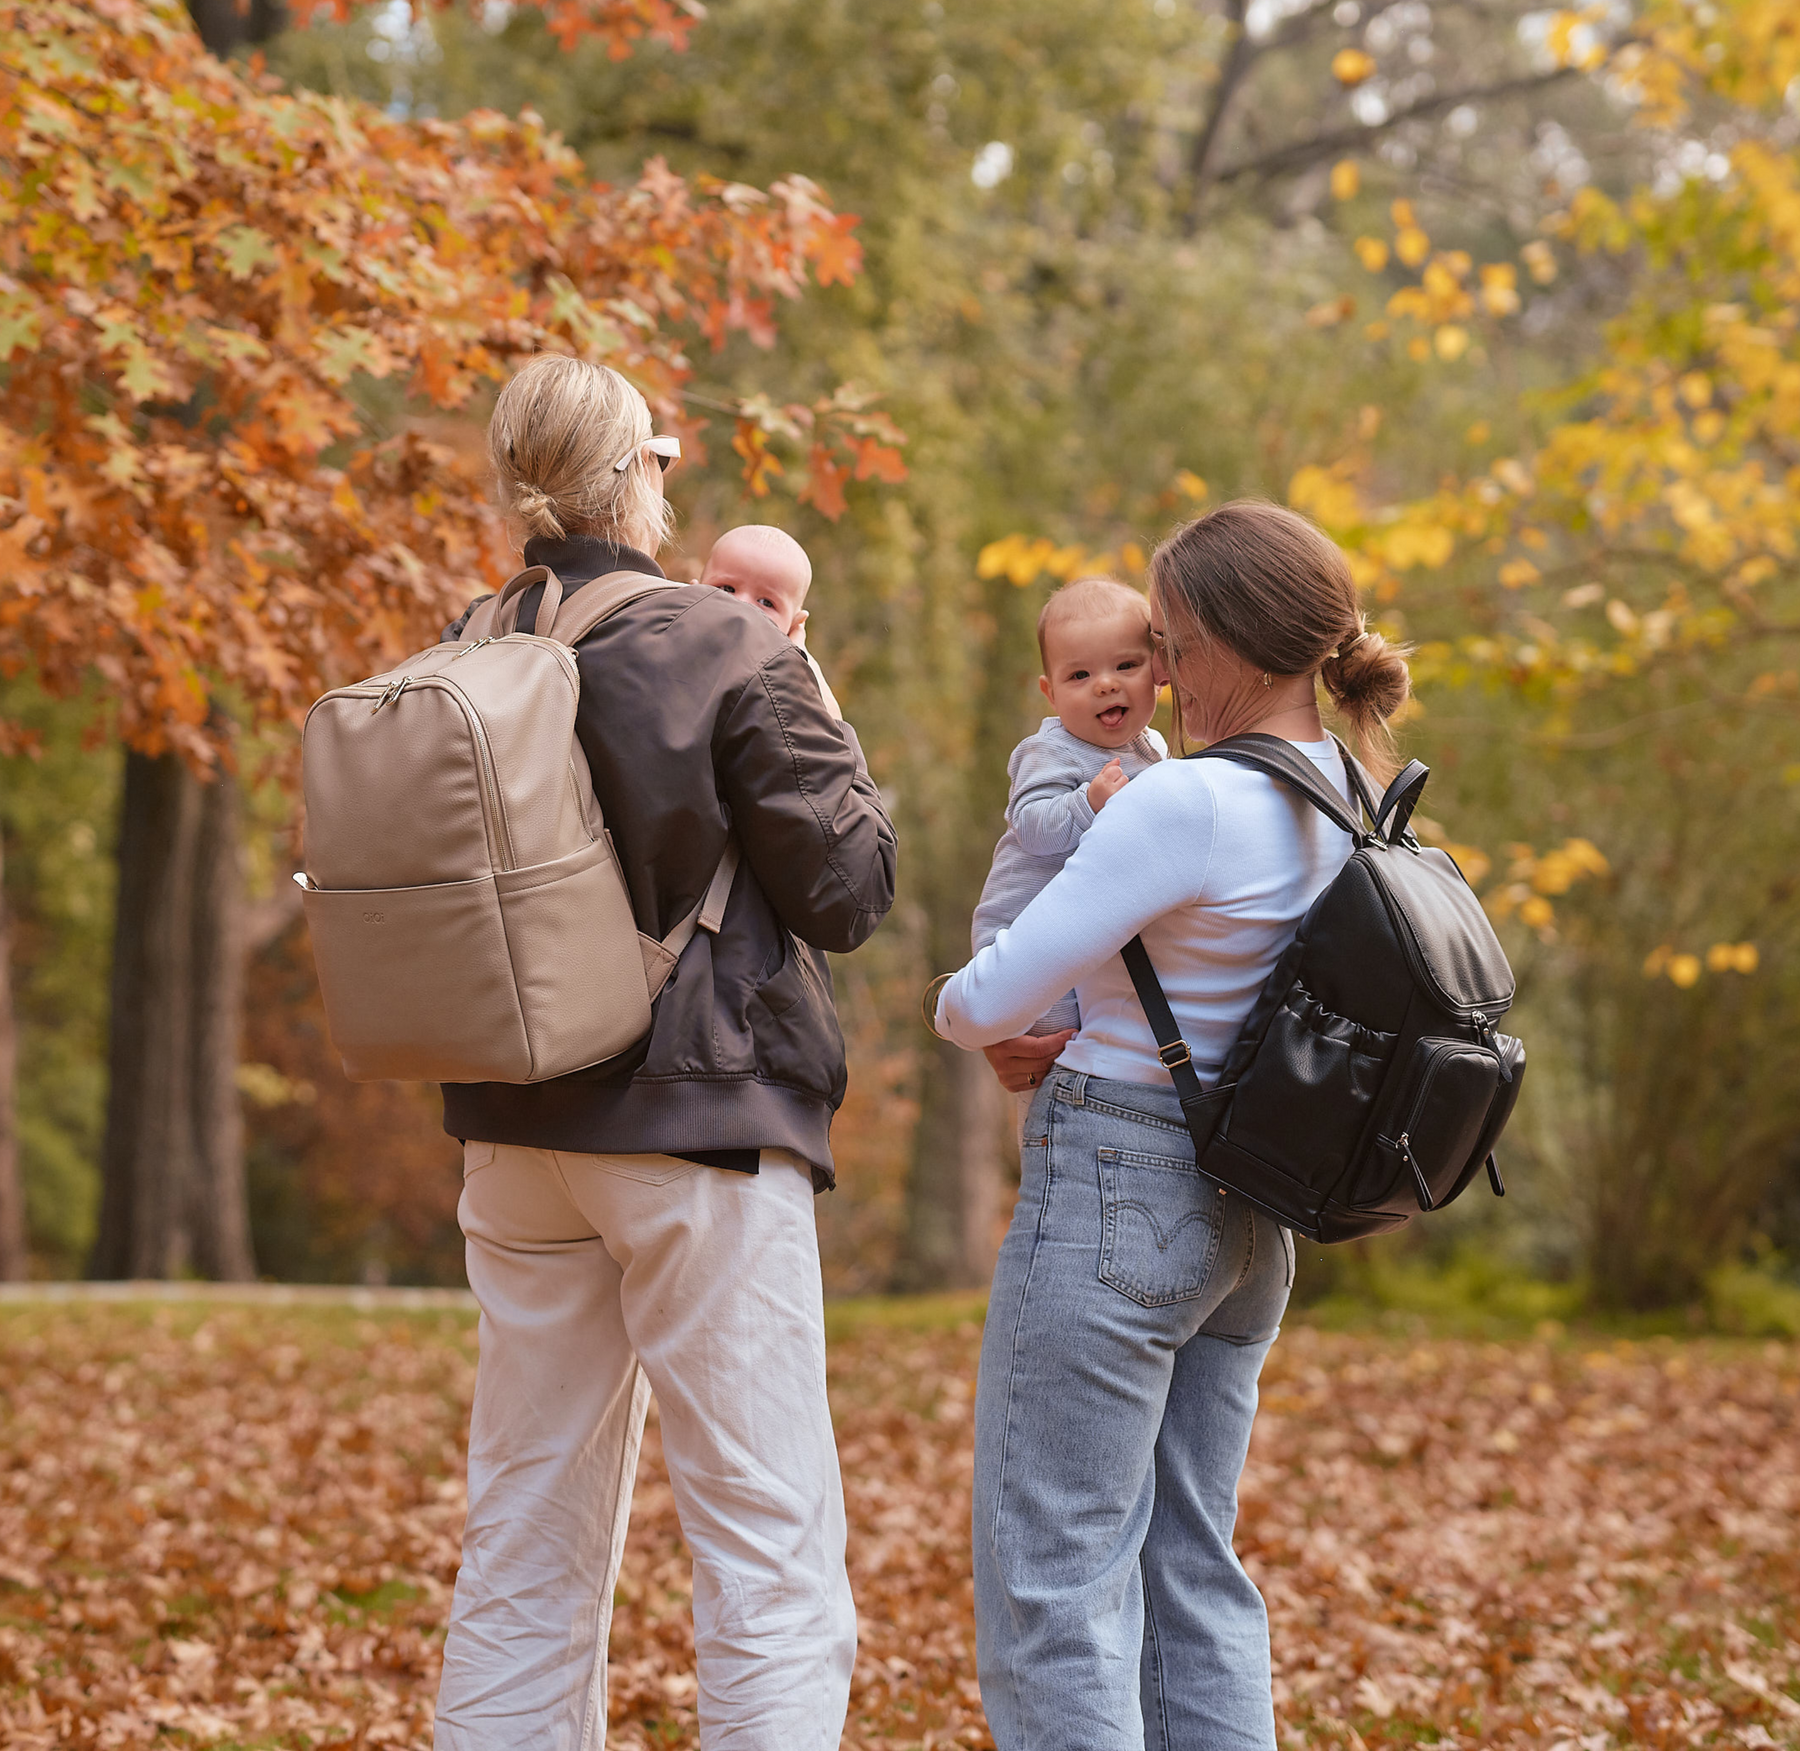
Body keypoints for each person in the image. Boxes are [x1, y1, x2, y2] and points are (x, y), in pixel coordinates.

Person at [432, 355, 897, 1751]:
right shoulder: (730, 643)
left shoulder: (472, 638)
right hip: (697, 1122)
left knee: (524, 1525)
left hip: (515, 1132)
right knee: (765, 1536)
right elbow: (850, 890)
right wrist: (821, 705)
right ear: (639, 473)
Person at [933, 500, 1411, 1751]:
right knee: (1194, 1566)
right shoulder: (1358, 793)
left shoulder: (1183, 801)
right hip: (1255, 1207)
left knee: (1054, 1572)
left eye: (1172, 640)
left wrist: (969, 1014)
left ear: (1235, 645)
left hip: (1117, 1180)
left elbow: (988, 994)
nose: (1158, 674)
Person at [968, 575, 1165, 1044]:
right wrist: (1087, 802)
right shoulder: (1048, 752)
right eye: (1080, 675)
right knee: (1051, 1038)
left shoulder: (1153, 748)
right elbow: (1032, 828)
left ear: (1158, 671)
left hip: (1088, 936)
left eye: (1126, 665)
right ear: (1050, 692)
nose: (1105, 685)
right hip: (1024, 934)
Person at [699, 523, 841, 716]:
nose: (742, 606)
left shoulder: (783, 694)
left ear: (793, 626)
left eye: (766, 602)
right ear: (694, 589)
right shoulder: (671, 637)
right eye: (727, 588)